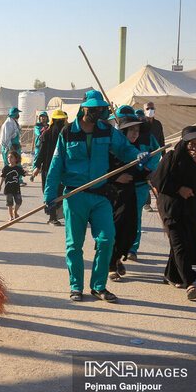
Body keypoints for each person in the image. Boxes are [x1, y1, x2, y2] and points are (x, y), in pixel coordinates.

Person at [43, 90, 152, 303]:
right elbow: (56, 166)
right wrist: (49, 194)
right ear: (83, 109)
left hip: (101, 195)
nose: (97, 112)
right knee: (74, 244)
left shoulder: (108, 131)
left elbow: (125, 149)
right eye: (93, 109)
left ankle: (99, 286)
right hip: (75, 195)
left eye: (100, 109)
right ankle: (76, 286)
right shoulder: (67, 132)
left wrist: (138, 156)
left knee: (106, 239)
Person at [150, 126, 196, 300]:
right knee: (179, 243)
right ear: (185, 143)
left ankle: (170, 274)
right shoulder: (172, 157)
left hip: (192, 209)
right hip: (172, 207)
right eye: (192, 144)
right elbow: (158, 180)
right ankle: (190, 283)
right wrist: (179, 189)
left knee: (182, 242)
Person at [106, 116, 148, 281]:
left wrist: (150, 171)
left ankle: (117, 259)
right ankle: (110, 265)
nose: (135, 134)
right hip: (112, 196)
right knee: (113, 231)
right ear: (122, 131)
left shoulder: (135, 151)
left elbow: (140, 172)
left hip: (130, 195)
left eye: (137, 131)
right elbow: (100, 172)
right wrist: (116, 178)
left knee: (130, 232)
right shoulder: (110, 149)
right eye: (131, 130)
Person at [126, 111, 162, 262]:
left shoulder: (148, 137)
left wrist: (148, 167)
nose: (135, 132)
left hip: (140, 184)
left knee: (135, 216)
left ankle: (132, 248)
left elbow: (157, 153)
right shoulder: (118, 137)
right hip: (120, 182)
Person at [32, 109, 68, 225]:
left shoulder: (66, 134)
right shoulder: (47, 134)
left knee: (60, 192)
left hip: (62, 168)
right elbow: (41, 152)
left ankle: (56, 215)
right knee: (51, 192)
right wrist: (37, 166)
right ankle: (52, 217)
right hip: (49, 168)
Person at [0, 150, 27, 220]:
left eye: (11, 157)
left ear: (16, 159)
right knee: (9, 203)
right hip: (8, 188)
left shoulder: (18, 168)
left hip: (16, 188)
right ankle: (10, 216)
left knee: (19, 201)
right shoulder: (6, 168)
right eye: (8, 157)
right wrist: (0, 186)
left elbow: (25, 173)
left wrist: (33, 173)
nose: (9, 159)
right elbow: (2, 177)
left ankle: (15, 212)